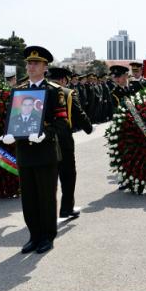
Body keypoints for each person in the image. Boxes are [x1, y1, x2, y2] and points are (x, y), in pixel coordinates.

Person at [0, 46, 64, 254]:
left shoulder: (54, 91)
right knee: (28, 198)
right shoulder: (19, 90)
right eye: (28, 63)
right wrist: (8, 132)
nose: (30, 66)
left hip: (45, 152)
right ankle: (34, 235)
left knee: (46, 197)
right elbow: (12, 117)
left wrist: (45, 131)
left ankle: (47, 236)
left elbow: (62, 122)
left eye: (35, 63)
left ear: (45, 67)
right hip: (25, 153)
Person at [47, 67, 93, 219]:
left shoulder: (41, 91)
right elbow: (79, 114)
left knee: (47, 177)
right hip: (63, 140)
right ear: (63, 80)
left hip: (44, 141)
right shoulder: (67, 93)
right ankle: (66, 208)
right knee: (67, 176)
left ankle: (47, 212)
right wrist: (89, 128)